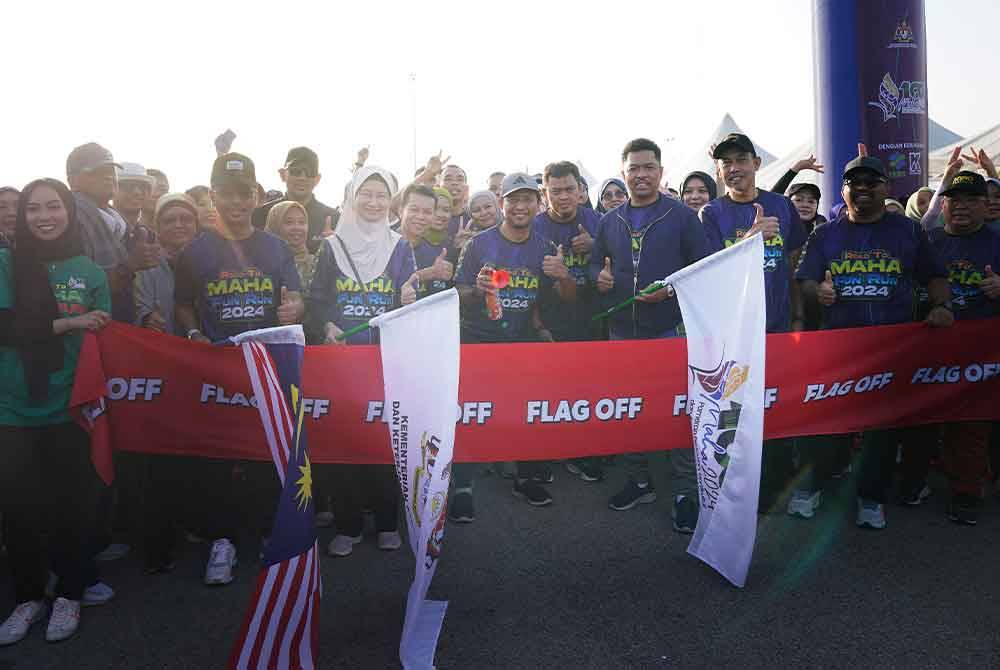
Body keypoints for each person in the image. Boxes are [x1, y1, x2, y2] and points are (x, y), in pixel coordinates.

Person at [795, 152, 952, 530]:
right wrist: (819, 292)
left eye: (872, 182)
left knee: (882, 429)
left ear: (886, 188)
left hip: (889, 346)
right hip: (839, 346)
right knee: (828, 420)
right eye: (855, 183)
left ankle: (871, 496)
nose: (863, 189)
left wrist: (942, 305)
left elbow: (934, 275)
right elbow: (804, 281)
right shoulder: (825, 233)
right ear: (843, 191)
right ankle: (814, 485)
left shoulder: (909, 231)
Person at [174, 152, 304, 585]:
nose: (236, 202)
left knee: (269, 449)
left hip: (268, 366)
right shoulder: (196, 250)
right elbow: (183, 304)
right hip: (219, 368)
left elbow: (296, 298)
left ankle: (270, 533)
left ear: (255, 195)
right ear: (213, 196)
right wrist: (193, 335)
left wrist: (293, 308)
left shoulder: (275, 246)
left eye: (243, 193)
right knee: (220, 456)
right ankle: (223, 541)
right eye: (226, 194)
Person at [0, 178, 111, 645]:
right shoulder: (6, 262)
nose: (44, 217)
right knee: (18, 509)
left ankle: (69, 592)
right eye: (33, 209)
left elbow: (104, 338)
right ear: (22, 216)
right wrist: (69, 321)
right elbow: (5, 327)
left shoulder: (90, 270)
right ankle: (28, 596)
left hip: (71, 407)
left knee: (73, 505)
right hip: (13, 407)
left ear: (69, 212)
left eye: (54, 207)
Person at [589, 138, 710, 526]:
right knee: (630, 411)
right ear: (623, 172)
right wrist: (600, 278)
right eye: (633, 169)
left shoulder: (681, 216)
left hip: (669, 331)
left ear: (660, 171)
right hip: (623, 333)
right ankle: (640, 481)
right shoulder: (609, 220)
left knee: (678, 412)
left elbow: (703, 268)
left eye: (648, 168)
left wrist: (672, 289)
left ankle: (685, 492)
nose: (641, 175)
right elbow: (595, 267)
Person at [449, 172, 578, 520]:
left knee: (526, 412)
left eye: (527, 200)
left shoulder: (546, 248)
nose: (520, 206)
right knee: (471, 414)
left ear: (539, 204)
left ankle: (525, 477)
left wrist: (563, 276)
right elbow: (456, 295)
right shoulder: (478, 244)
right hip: (478, 339)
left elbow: (567, 299)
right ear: (502, 203)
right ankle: (462, 485)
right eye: (513, 199)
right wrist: (476, 290)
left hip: (522, 342)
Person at [700, 133, 808, 523]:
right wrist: (748, 240)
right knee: (734, 416)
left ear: (756, 163)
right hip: (733, 336)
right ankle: (733, 491)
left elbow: (792, 263)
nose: (734, 168)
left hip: (776, 329)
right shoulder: (711, 214)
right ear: (719, 169)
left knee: (775, 412)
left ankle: (776, 488)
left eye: (741, 159)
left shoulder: (781, 204)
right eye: (725, 162)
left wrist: (797, 315)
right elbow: (709, 272)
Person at [307, 165, 413, 557]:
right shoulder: (332, 246)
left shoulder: (399, 246)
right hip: (343, 363)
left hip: (386, 362)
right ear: (352, 197)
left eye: (381, 195)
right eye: (365, 194)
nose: (373, 202)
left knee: (387, 441)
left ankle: (387, 522)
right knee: (346, 442)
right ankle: (348, 524)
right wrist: (328, 325)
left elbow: (407, 294)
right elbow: (316, 298)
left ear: (391, 201)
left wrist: (408, 300)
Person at [903, 171, 1000, 525]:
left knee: (971, 425)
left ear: (985, 205)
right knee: (920, 419)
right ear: (943, 205)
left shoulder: (997, 240)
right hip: (928, 347)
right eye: (953, 200)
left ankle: (966, 492)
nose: (960, 208)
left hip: (980, 351)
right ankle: (914, 481)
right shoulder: (927, 239)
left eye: (970, 201)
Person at [533, 162, 604, 482]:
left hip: (590, 323)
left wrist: (595, 247)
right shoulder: (534, 228)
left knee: (585, 392)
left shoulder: (599, 222)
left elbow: (613, 265)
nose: (563, 197)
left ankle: (582, 452)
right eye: (556, 191)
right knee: (546, 394)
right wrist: (538, 326)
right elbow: (526, 284)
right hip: (547, 323)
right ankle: (544, 454)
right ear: (544, 193)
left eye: (570, 190)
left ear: (581, 191)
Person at [66, 143, 159, 323]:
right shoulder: (72, 216)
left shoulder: (118, 221)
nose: (108, 176)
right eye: (96, 172)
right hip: (92, 331)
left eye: (111, 170)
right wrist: (130, 265)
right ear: (72, 180)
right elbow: (79, 289)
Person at [252, 146, 339, 253]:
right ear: (283, 174)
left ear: (317, 179)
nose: (302, 177)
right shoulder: (259, 215)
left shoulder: (334, 219)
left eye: (310, 172)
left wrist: (334, 247)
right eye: (296, 171)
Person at [135, 194, 200, 337]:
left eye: (186, 219)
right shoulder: (147, 265)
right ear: (157, 228)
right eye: (169, 221)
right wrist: (147, 318)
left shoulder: (212, 260)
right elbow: (137, 306)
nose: (178, 225)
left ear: (197, 225)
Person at [398, 184, 453, 304]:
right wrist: (426, 274)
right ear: (401, 211)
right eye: (414, 209)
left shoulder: (436, 255)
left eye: (427, 212)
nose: (420, 217)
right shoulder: (383, 246)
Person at [112, 163, 154, 230]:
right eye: (128, 186)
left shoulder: (149, 236)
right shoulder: (99, 227)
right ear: (113, 188)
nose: (137, 192)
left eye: (142, 186)